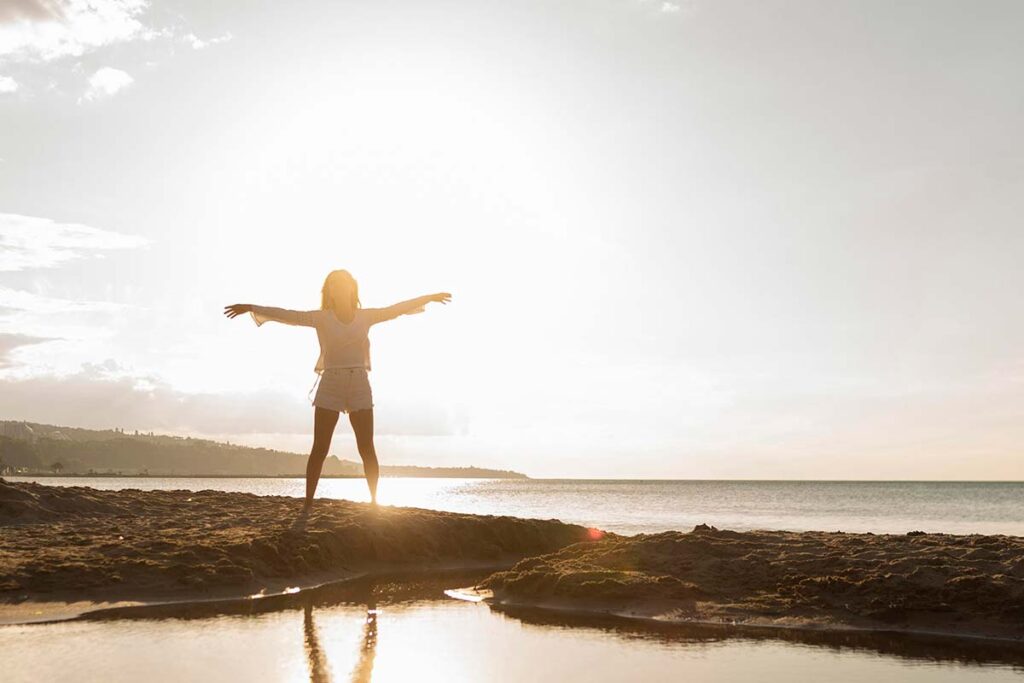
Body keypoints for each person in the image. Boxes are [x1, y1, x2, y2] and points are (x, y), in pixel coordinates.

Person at [224, 270, 450, 512]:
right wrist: (250, 306)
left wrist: (428, 297)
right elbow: (288, 315)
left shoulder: (366, 316)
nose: (339, 288)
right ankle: (308, 503)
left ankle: (374, 503)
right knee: (320, 447)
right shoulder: (321, 318)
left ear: (352, 288)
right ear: (329, 292)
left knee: (366, 446)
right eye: (333, 285)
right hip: (330, 383)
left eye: (343, 284)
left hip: (359, 383)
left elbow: (396, 309)